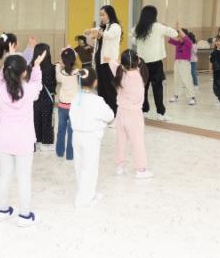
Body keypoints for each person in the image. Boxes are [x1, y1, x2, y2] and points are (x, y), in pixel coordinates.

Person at [0, 50, 46, 227]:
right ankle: (24, 215)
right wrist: (37, 66)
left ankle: (2, 210)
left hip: (4, 138)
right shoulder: (29, 90)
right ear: (23, 73)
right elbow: (37, 83)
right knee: (24, 177)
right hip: (23, 140)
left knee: (5, 175)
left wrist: (7, 60)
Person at [70, 68, 114, 207]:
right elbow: (110, 116)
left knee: (80, 166)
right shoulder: (97, 100)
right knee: (90, 168)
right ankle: (84, 199)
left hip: (76, 136)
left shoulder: (76, 98)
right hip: (90, 138)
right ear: (95, 82)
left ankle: (89, 192)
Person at [109, 50, 154, 179]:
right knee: (137, 142)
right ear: (137, 61)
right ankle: (141, 170)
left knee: (120, 141)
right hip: (134, 114)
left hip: (121, 113)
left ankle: (120, 166)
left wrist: (119, 62)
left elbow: (112, 62)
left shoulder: (119, 72)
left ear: (122, 64)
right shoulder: (140, 75)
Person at [132, 5, 178, 121]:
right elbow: (175, 33)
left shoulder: (138, 27)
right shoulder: (158, 27)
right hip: (156, 63)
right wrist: (165, 25)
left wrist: (139, 42)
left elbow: (132, 37)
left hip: (142, 63)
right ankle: (160, 114)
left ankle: (144, 111)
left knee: (143, 88)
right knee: (158, 89)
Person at [85, 5, 122, 114]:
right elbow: (91, 36)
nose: (101, 17)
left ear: (109, 14)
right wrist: (89, 32)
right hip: (99, 60)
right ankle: (104, 110)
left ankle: (113, 111)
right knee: (101, 87)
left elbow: (109, 35)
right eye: (100, 15)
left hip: (109, 62)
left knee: (110, 87)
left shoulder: (115, 27)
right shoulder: (102, 27)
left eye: (103, 15)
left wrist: (98, 33)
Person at [31, 43, 56, 151]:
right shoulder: (52, 68)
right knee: (47, 120)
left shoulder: (31, 67)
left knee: (35, 119)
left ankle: (36, 141)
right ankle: (46, 143)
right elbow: (53, 83)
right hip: (47, 97)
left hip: (35, 98)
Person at [55, 47, 78, 160]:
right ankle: (70, 155)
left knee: (61, 130)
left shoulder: (61, 74)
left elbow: (57, 74)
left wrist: (58, 65)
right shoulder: (77, 73)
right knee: (72, 131)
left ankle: (59, 152)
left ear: (63, 61)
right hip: (74, 107)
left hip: (62, 106)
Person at [168, 26, 196, 106]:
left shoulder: (188, 42)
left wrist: (179, 28)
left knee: (187, 80)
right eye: (178, 36)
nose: (178, 37)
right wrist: (167, 28)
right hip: (177, 62)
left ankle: (192, 97)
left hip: (185, 63)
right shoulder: (178, 43)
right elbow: (170, 38)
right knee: (177, 79)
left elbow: (184, 37)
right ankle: (176, 96)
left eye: (180, 36)